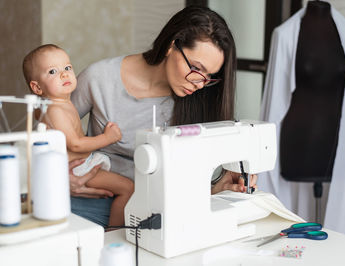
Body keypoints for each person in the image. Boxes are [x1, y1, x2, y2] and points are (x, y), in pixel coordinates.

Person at [70, 6, 257, 227]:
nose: (200, 83)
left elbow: (180, 179)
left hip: (160, 211)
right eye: (197, 68)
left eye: (210, 77)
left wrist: (215, 189)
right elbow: (47, 140)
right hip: (94, 203)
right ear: (172, 46)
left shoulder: (198, 99)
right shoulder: (99, 79)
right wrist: (64, 179)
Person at [22, 44, 134, 227]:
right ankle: (113, 234)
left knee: (119, 187)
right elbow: (75, 144)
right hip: (77, 169)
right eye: (52, 71)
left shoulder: (60, 103)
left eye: (67, 68)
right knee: (128, 188)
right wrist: (108, 137)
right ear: (37, 87)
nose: (64, 74)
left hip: (81, 164)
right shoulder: (55, 109)